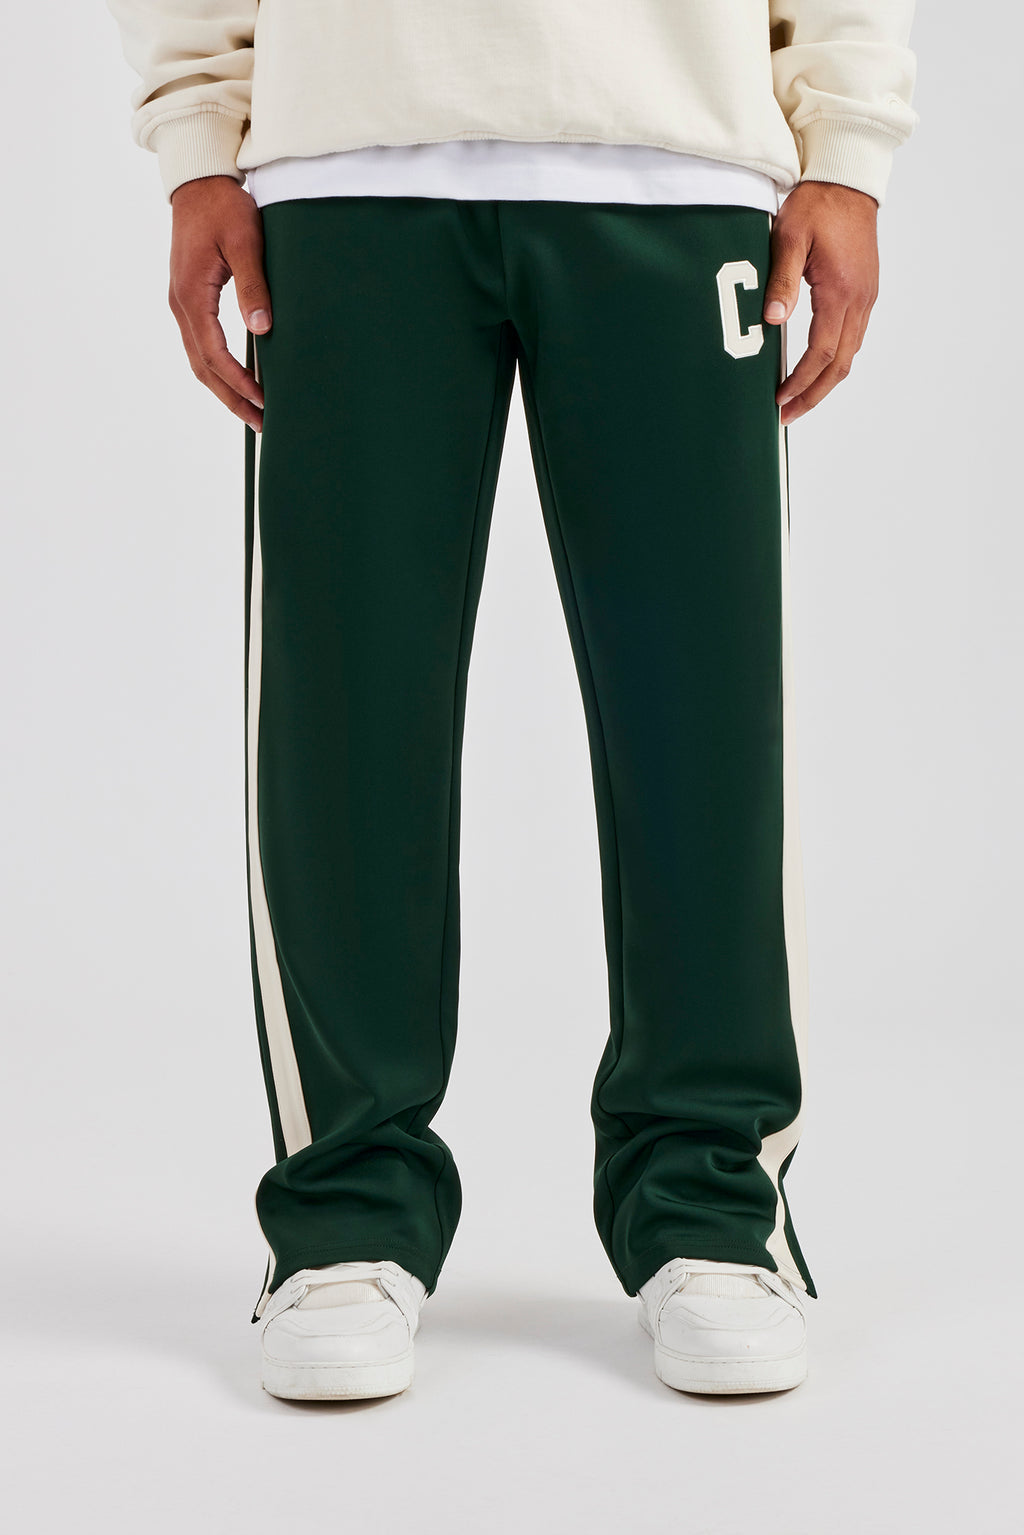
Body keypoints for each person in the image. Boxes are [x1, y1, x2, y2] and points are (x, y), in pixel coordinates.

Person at [107, 1, 917, 1400]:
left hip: (673, 155)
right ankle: (346, 1211)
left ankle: (709, 1203)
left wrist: (845, 149)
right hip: (347, 161)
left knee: (703, 715)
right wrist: (196, 138)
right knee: (342, 715)